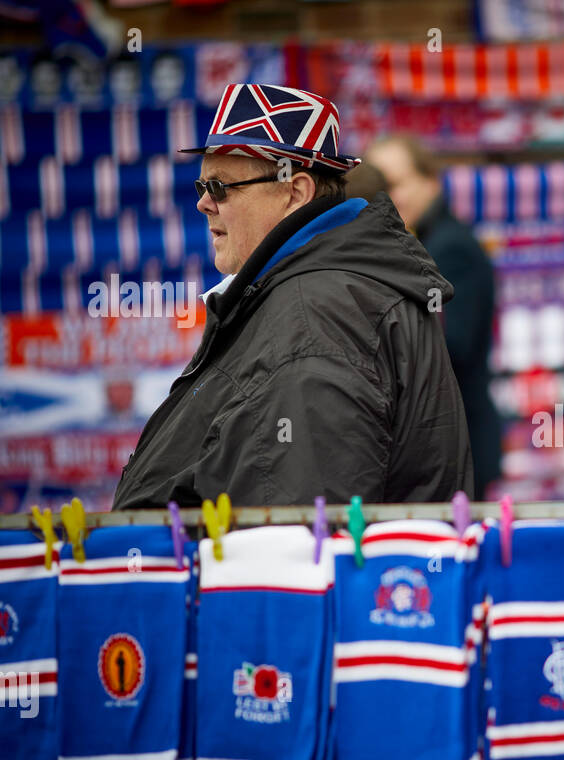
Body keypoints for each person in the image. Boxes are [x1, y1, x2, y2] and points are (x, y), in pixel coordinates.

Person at [111, 83, 472, 509]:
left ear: (295, 193)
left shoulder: (315, 315)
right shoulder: (316, 292)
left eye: (222, 187)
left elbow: (300, 541)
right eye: (202, 186)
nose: (204, 204)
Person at [368, 134, 502, 499]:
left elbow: (449, 346)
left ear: (430, 181)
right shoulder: (423, 243)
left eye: (394, 184)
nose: (385, 198)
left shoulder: (447, 247)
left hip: (459, 447)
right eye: (378, 188)